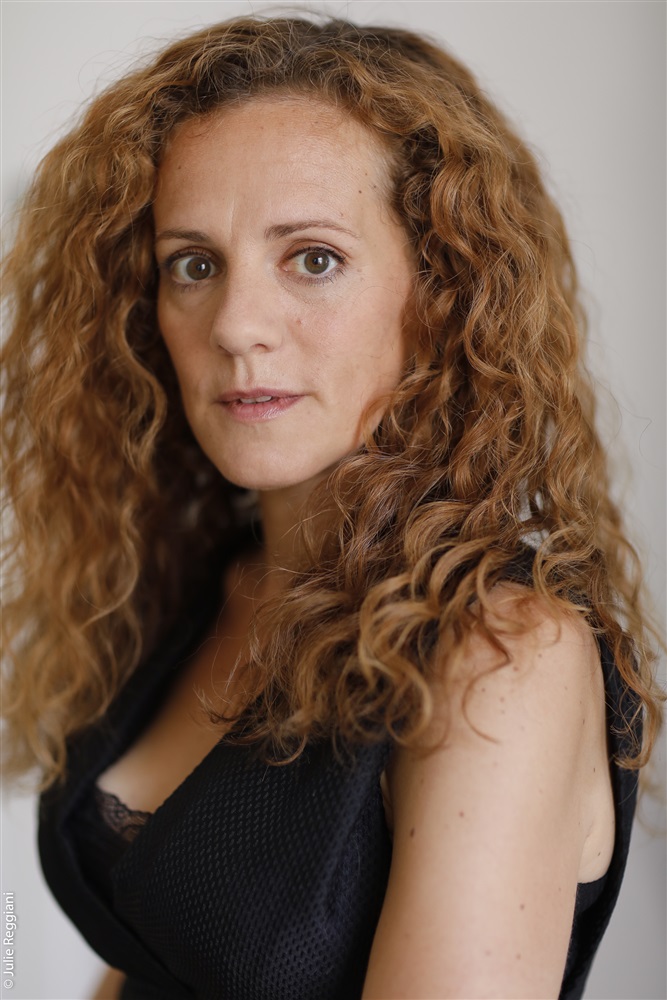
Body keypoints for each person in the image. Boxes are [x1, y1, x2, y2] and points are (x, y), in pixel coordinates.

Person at [1, 13, 663, 1000]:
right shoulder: (206, 584)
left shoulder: (498, 655)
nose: (236, 325)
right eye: (194, 263)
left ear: (441, 292)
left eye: (312, 258)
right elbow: (158, 956)